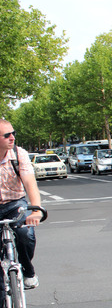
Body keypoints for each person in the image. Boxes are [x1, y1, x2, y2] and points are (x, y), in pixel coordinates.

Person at [0, 119, 43, 289]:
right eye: (6, 135)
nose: (12, 137)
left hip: (15, 203)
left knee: (25, 235)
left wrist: (36, 210)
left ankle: (28, 270)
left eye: (13, 133)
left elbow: (30, 183)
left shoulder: (19, 154)